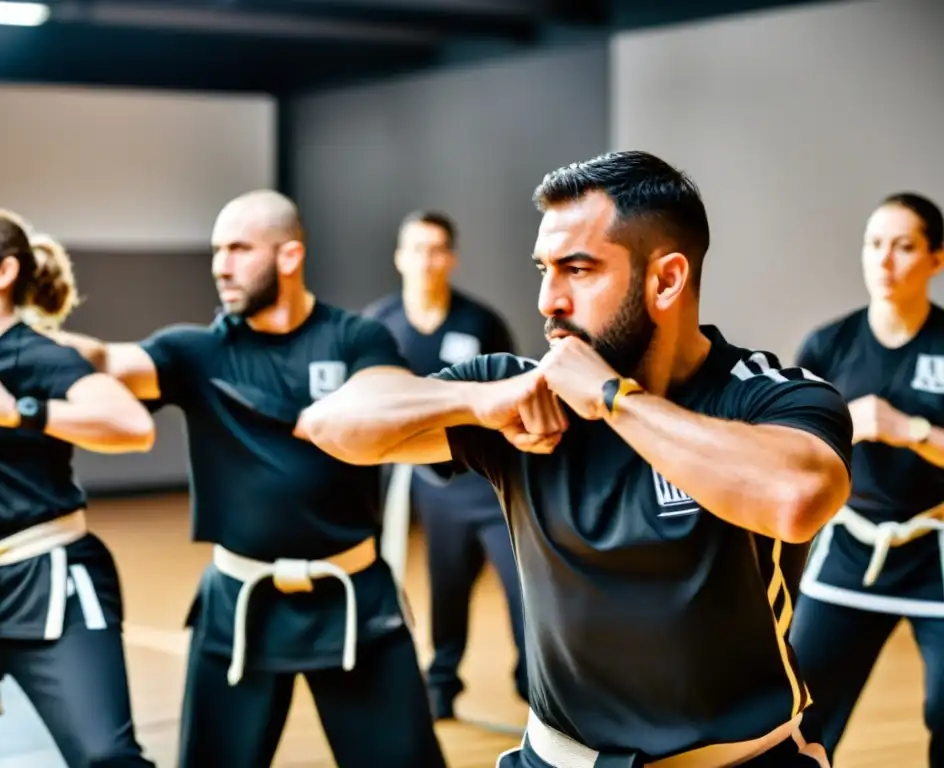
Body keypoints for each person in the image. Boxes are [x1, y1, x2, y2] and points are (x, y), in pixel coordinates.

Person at [297, 150, 854, 767]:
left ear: (666, 280)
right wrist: (479, 401)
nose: (547, 300)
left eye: (577, 270)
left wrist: (614, 399)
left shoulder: (764, 394)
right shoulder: (519, 395)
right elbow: (332, 424)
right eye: (543, 269)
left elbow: (799, 497)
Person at [52, 190, 446, 768]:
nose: (220, 265)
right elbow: (107, 361)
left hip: (354, 600)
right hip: (237, 605)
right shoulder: (197, 352)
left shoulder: (356, 339)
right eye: (216, 250)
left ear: (289, 257)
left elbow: (393, 399)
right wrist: (19, 333)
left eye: (238, 248)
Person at [0, 204, 157, 767]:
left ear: (3, 273)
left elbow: (133, 426)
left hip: (53, 582)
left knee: (106, 757)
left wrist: (20, 410)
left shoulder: (42, 354)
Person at [789, 192, 944, 766]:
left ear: (935, 259)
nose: (885, 260)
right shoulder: (829, 345)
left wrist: (914, 430)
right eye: (874, 244)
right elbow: (790, 452)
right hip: (851, 545)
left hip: (936, 553)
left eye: (904, 246)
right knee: (804, 707)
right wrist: (842, 427)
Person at [364, 209, 528, 718]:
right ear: (399, 257)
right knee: (448, 587)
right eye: (416, 249)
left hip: (488, 480)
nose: (426, 260)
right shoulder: (378, 324)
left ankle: (536, 684)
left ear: (451, 259)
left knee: (523, 586)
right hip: (432, 484)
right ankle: (441, 685)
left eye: (436, 250)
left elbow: (510, 393)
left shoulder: (481, 322)